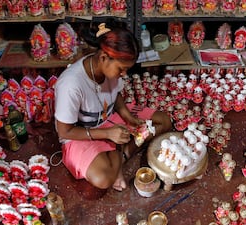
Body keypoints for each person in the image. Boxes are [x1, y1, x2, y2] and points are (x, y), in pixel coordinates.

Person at [54, 21, 172, 191]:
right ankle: (119, 152)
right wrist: (108, 133)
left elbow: (115, 95)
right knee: (103, 178)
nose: (124, 74)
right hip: (81, 132)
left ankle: (120, 156)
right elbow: (65, 131)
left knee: (163, 121)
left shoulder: (108, 70)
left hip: (108, 116)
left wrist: (127, 116)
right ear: (103, 57)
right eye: (121, 69)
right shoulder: (70, 85)